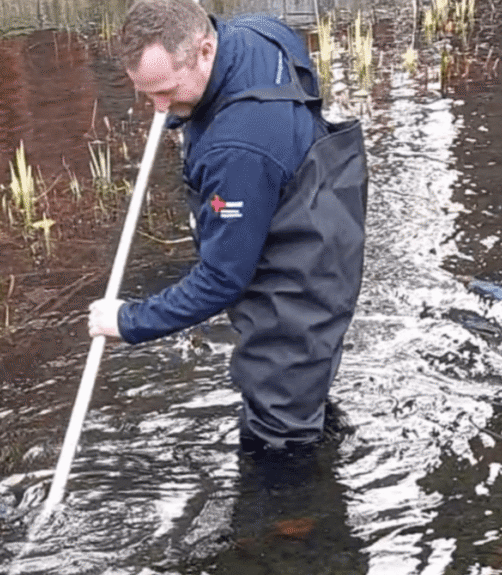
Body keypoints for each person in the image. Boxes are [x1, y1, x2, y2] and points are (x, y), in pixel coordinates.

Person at [87, 0, 367, 454]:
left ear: (203, 49)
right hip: (324, 212)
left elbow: (222, 280)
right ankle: (316, 421)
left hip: (299, 283)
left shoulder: (237, 150)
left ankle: (292, 516)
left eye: (168, 90)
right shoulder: (259, 33)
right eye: (147, 93)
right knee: (302, 394)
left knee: (277, 447)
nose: (160, 110)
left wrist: (128, 321)